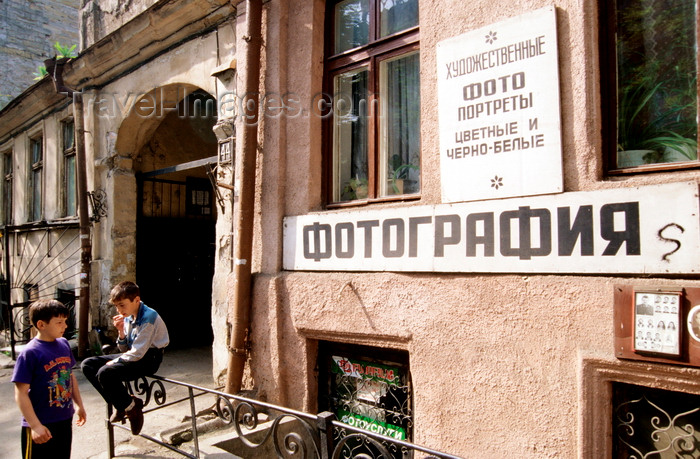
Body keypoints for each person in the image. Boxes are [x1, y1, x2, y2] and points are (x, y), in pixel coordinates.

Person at [81, 281, 169, 435]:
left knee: (105, 372)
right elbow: (125, 349)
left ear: (136, 300)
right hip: (135, 354)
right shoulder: (129, 315)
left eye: (122, 305)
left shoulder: (149, 317)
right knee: (88, 365)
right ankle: (125, 405)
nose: (119, 310)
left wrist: (114, 362)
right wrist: (121, 332)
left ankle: (130, 409)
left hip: (149, 359)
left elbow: (137, 353)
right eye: (116, 306)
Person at [12, 299, 87, 459]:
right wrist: (35, 426)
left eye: (65, 321)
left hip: (64, 418)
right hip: (41, 424)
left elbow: (70, 376)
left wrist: (79, 404)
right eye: (59, 322)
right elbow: (21, 393)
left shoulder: (64, 344)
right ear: (41, 324)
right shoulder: (30, 353)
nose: (65, 326)